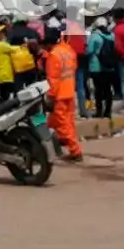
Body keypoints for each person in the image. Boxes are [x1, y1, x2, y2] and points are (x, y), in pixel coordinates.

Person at [43, 29, 82, 162]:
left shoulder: (53, 55)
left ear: (49, 43)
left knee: (62, 124)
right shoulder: (68, 50)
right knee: (64, 122)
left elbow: (53, 78)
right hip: (70, 90)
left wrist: (51, 96)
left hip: (59, 94)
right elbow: (74, 67)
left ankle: (75, 151)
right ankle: (54, 144)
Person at [86, 17, 116, 119]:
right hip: (110, 67)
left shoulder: (95, 36)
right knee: (108, 90)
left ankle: (99, 112)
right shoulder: (112, 36)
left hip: (96, 67)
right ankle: (108, 112)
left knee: (98, 90)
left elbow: (89, 51)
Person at [7, 15, 40, 88]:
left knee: (18, 86)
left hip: (16, 65)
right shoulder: (32, 32)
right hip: (30, 63)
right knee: (32, 86)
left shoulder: (10, 33)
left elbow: (6, 46)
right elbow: (38, 44)